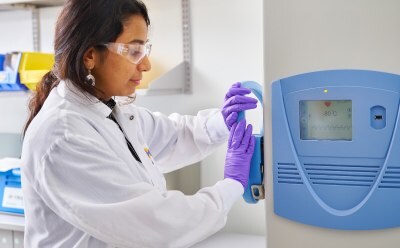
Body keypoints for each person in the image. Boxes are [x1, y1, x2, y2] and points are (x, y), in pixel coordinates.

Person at [21, 0, 258, 247]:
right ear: (90, 55)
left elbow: (174, 136)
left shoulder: (110, 110)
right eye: (134, 51)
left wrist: (222, 121)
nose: (146, 65)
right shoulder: (63, 136)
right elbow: (159, 225)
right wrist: (231, 186)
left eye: (145, 49)